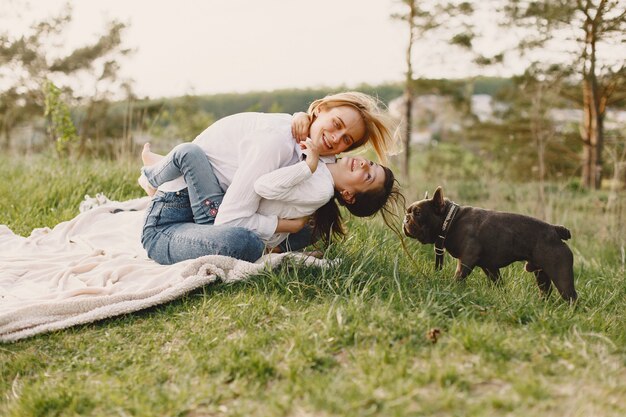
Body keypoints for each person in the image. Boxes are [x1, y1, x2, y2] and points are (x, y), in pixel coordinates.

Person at [140, 91, 398, 265]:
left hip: (213, 201)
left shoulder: (323, 157)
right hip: (172, 219)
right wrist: (285, 226)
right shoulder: (277, 143)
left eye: (346, 140)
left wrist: (302, 117)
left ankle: (268, 248)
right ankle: (155, 178)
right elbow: (229, 220)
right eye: (337, 124)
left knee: (312, 228)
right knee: (244, 243)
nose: (337, 138)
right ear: (319, 111)